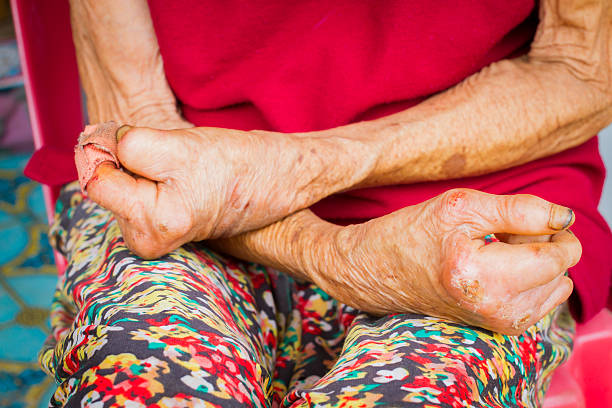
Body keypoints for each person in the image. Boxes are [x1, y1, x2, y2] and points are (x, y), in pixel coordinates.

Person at [32, 0, 611, 406]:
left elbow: (584, 70)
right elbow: (138, 123)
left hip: (480, 189)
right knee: (143, 379)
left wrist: (302, 167)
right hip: (185, 177)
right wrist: (341, 256)